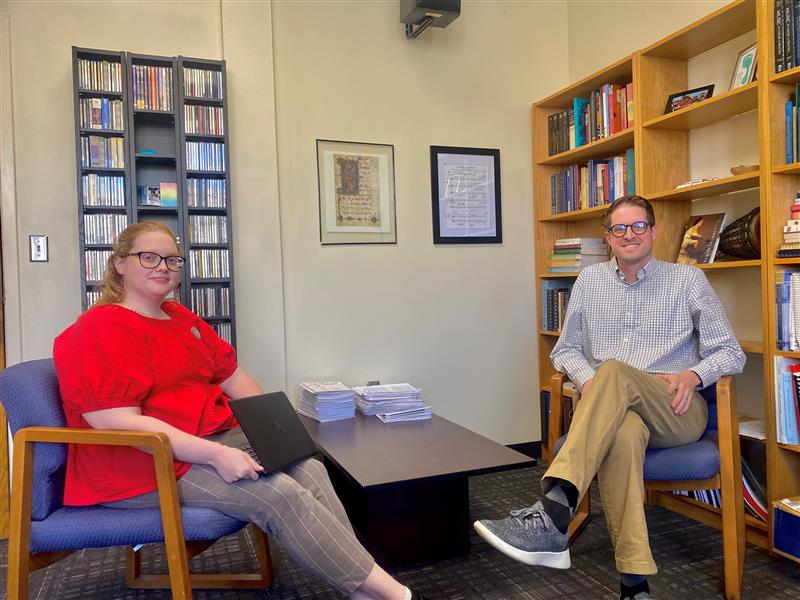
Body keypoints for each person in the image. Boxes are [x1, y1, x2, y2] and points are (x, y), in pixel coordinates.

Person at [53, 221, 427, 600]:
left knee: (309, 467)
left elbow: (232, 376)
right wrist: (217, 454)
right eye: (148, 257)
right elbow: (115, 422)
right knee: (277, 493)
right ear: (119, 263)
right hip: (140, 465)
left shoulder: (182, 319)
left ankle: (365, 590)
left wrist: (274, 431)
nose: (162, 267)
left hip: (203, 442)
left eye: (171, 259)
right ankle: (396, 595)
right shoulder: (99, 327)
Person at [473, 195, 745, 600]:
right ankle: (634, 584)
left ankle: (554, 508)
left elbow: (732, 353)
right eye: (620, 228)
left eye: (638, 226)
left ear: (654, 231)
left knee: (614, 371)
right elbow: (565, 350)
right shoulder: (589, 281)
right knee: (620, 432)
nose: (630, 235)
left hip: (674, 408)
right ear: (608, 238)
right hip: (614, 410)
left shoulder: (687, 280)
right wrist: (591, 383)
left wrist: (694, 373)